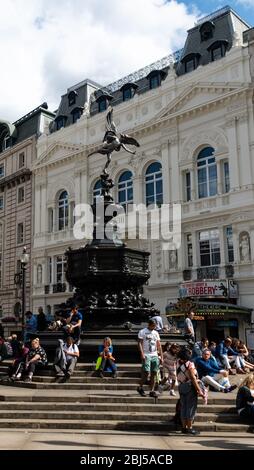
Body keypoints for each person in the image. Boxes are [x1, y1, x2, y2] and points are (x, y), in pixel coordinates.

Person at [177, 347, 205, 435]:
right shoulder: (190, 364)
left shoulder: (177, 363)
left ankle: (183, 427)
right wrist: (199, 390)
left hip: (181, 386)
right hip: (190, 387)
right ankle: (190, 428)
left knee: (183, 407)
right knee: (191, 407)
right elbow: (193, 377)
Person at [137, 319, 163, 398]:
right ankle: (140, 387)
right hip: (146, 354)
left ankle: (152, 390)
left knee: (154, 372)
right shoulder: (142, 332)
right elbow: (139, 343)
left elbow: (159, 345)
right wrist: (142, 354)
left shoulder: (156, 333)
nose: (154, 327)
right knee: (147, 372)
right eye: (153, 325)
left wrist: (161, 356)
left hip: (154, 354)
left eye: (155, 326)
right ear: (149, 324)